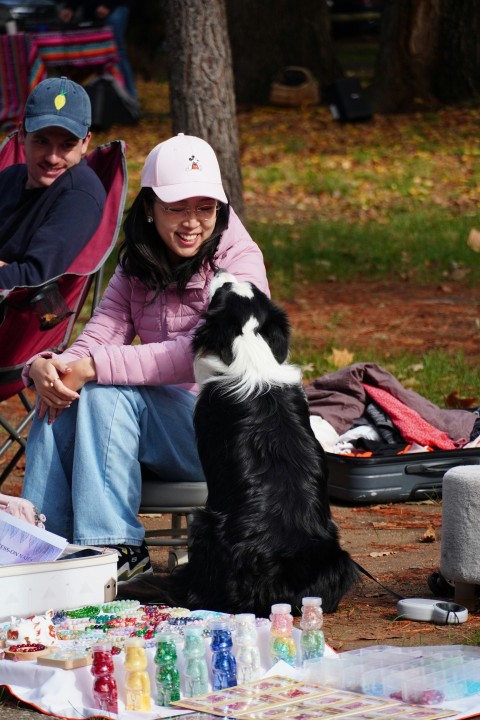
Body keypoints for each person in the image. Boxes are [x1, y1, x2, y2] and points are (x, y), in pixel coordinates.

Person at [21, 133, 269, 581]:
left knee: (104, 392)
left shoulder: (241, 260)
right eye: (177, 208)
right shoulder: (138, 260)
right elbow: (99, 335)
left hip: (225, 435)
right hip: (156, 432)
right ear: (151, 208)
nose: (192, 222)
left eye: (204, 207)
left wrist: (94, 368)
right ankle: (40, 549)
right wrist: (46, 368)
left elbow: (211, 350)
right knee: (59, 395)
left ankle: (117, 549)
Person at [0, 76, 106, 291]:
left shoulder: (79, 194)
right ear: (22, 134)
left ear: (85, 143)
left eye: (67, 145)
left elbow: (35, 277)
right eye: (42, 141)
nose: (53, 158)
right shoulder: (10, 177)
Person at [59, 1, 137, 100]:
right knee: (87, 53)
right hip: (91, 11)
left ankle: (129, 98)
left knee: (116, 51)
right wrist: (70, 7)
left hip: (115, 7)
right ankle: (89, 98)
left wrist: (108, 5)